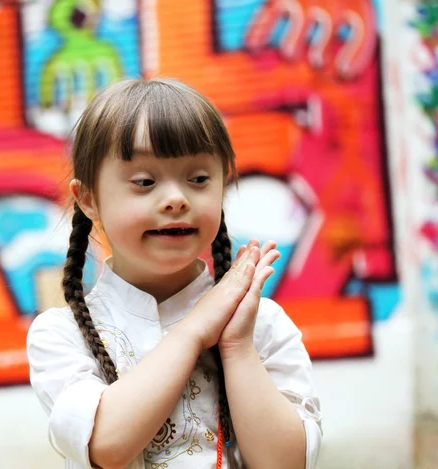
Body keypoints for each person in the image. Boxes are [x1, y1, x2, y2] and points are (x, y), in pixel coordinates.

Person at [27, 78, 322, 469]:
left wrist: (236, 347)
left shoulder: (260, 323)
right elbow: (105, 444)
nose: (176, 199)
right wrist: (195, 330)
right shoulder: (62, 334)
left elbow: (284, 464)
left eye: (198, 179)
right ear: (89, 199)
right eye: (145, 182)